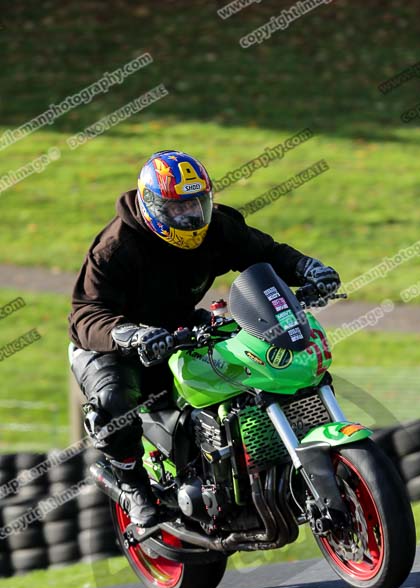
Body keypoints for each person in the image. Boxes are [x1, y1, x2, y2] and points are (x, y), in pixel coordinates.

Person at [68, 149, 340, 528]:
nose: (189, 216)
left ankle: (247, 465)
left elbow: (266, 253)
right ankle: (134, 489)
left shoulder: (217, 229)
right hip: (113, 344)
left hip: (179, 328)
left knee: (251, 360)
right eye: (177, 209)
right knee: (113, 401)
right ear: (152, 206)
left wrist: (308, 268)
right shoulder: (115, 248)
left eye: (197, 205)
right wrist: (128, 333)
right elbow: (84, 313)